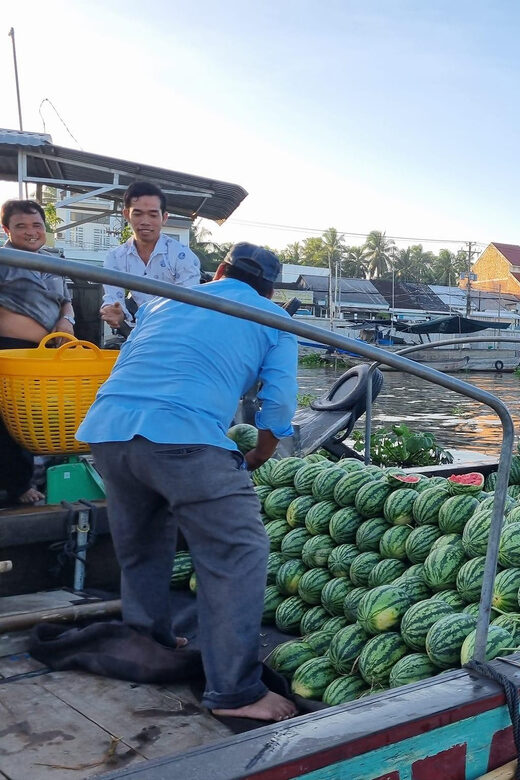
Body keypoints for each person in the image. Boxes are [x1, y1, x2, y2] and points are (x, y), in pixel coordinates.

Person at [77, 242, 298, 722]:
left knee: (142, 543)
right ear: (271, 289)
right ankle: (237, 693)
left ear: (219, 270)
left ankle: (147, 642)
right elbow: (278, 404)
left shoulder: (166, 298)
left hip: (109, 430)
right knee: (237, 554)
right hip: (185, 438)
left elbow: (133, 358)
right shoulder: (275, 319)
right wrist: (261, 451)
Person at [0, 199, 75, 504]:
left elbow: (66, 300)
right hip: (11, 351)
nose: (31, 232)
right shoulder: (4, 260)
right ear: (6, 229)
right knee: (7, 422)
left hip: (46, 354)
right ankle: (16, 486)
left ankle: (42, 478)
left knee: (40, 418)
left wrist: (66, 321)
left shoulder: (53, 262)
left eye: (37, 225)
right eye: (21, 226)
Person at [100, 181, 201, 331]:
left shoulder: (182, 255)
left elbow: (188, 304)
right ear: (127, 214)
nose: (145, 222)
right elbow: (113, 298)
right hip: (142, 330)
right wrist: (115, 311)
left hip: (179, 330)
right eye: (138, 214)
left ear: (164, 218)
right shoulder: (116, 257)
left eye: (153, 215)